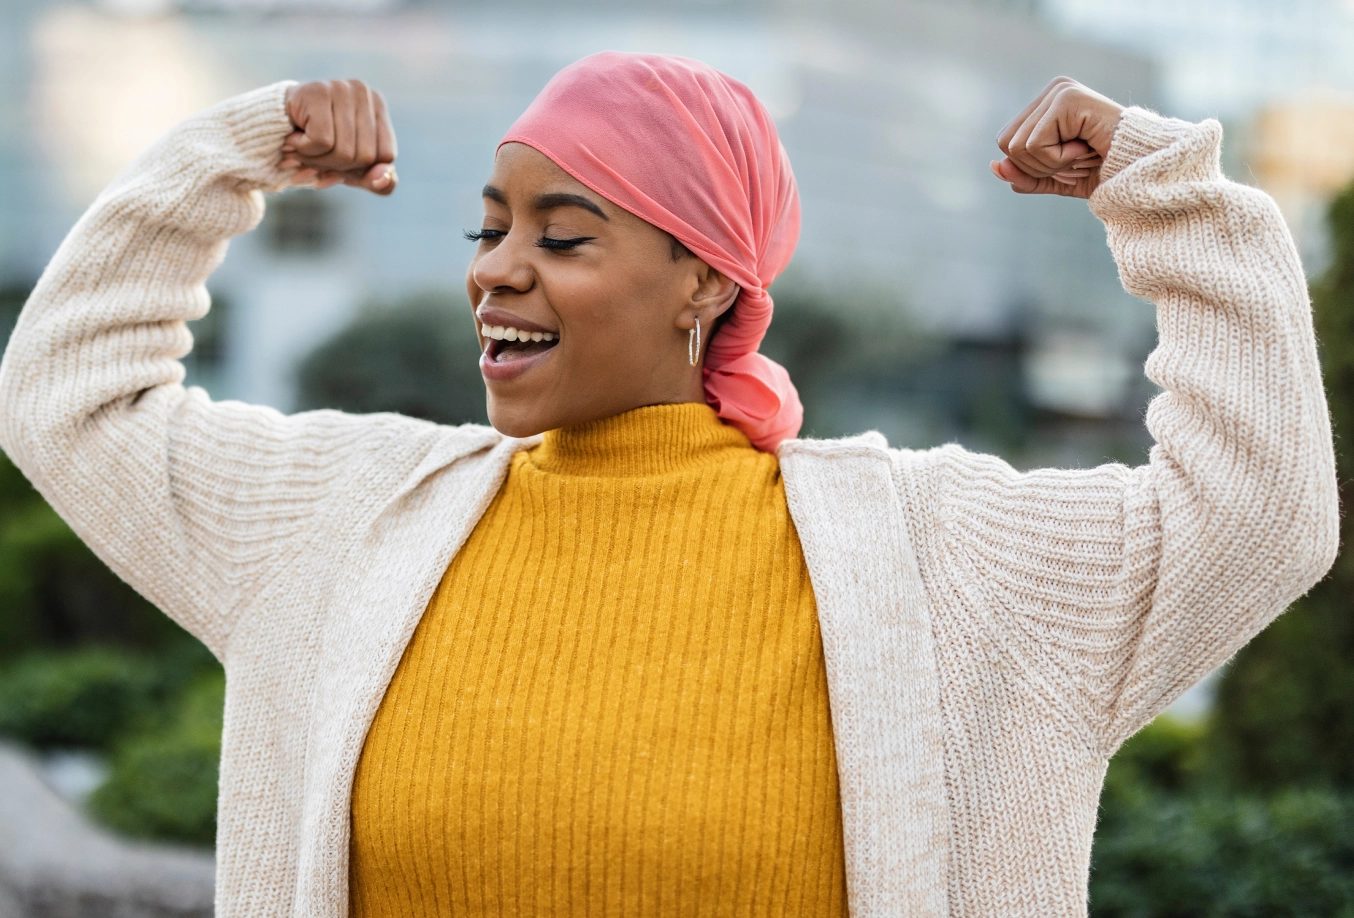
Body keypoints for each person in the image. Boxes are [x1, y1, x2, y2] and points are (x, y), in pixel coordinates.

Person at [0, 52, 1337, 918]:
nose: (494, 268)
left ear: (703, 279)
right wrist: (229, 155)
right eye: (490, 227)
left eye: (563, 235)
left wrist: (1167, 196)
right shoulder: (346, 518)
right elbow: (72, 394)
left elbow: (1254, 512)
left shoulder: (944, 560)